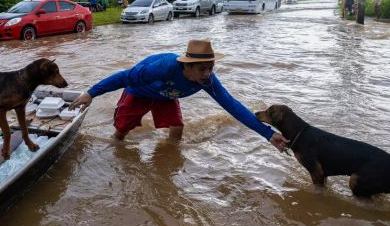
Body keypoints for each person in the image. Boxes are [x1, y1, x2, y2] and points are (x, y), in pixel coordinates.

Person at [68, 39, 290, 152]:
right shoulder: (162, 68)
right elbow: (124, 77)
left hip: (167, 96)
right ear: (188, 67)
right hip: (140, 92)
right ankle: (117, 153)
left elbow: (232, 106)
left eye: (211, 68)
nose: (208, 74)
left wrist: (267, 134)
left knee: (177, 128)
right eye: (202, 69)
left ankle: (168, 160)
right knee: (121, 132)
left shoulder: (208, 81)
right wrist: (91, 93)